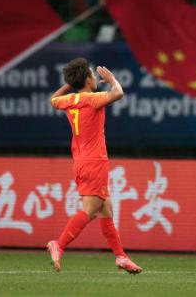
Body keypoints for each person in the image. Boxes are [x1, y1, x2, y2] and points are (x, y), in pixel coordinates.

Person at [47, 59, 142, 275]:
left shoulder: (69, 100)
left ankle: (121, 256)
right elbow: (118, 93)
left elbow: (53, 99)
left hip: (80, 162)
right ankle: (59, 245)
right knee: (90, 210)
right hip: (95, 162)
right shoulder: (92, 99)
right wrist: (112, 80)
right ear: (88, 80)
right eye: (92, 74)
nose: (95, 78)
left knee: (106, 209)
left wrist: (72, 83)